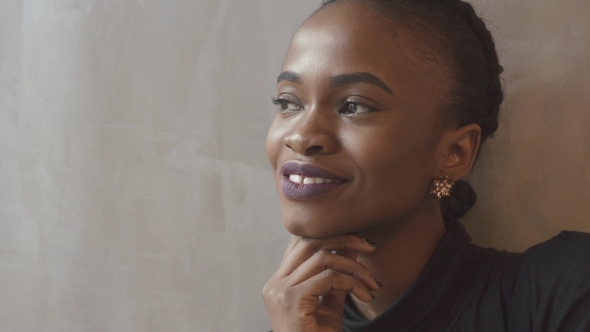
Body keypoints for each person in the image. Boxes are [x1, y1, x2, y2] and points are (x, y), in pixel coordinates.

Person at [262, 0, 590, 331]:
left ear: (455, 152)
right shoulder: (292, 322)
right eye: (288, 102)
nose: (302, 136)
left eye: (353, 106)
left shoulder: (559, 294)